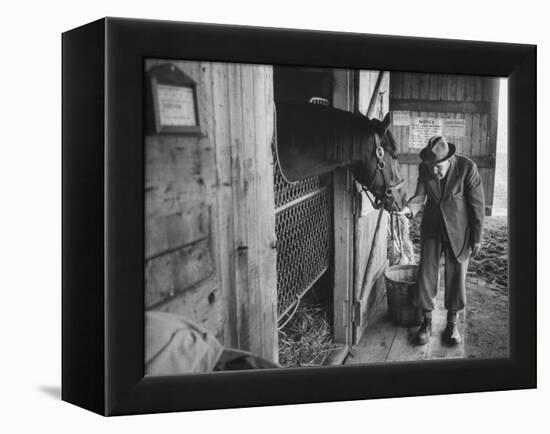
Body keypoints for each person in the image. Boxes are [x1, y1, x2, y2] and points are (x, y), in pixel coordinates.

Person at [397, 135, 485, 346]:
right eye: (431, 167)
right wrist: (408, 209)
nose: (434, 171)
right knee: (426, 274)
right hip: (433, 228)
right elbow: (420, 197)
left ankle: (452, 324)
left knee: (456, 277)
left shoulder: (467, 168)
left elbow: (477, 205)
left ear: (449, 159)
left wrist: (477, 237)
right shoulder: (426, 168)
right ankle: (426, 323)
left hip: (460, 230)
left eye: (438, 167)